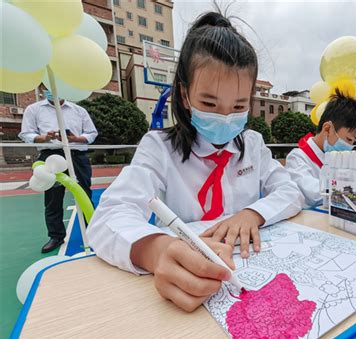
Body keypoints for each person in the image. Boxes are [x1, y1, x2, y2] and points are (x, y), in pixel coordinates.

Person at [86, 12, 304, 312]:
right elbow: (108, 218)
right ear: (185, 95)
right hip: (185, 286)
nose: (225, 117)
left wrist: (253, 213)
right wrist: (156, 250)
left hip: (250, 268)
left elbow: (291, 192)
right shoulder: (158, 148)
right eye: (209, 104)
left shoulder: (253, 144)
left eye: (239, 106)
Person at [19, 91, 98, 253]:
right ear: (42, 89)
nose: (52, 90)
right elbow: (26, 133)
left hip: (77, 155)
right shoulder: (34, 109)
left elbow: (92, 133)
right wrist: (43, 138)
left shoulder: (79, 110)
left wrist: (75, 139)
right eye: (47, 87)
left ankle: (94, 232)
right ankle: (56, 236)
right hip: (51, 156)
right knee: (53, 198)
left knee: (84, 194)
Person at [285, 91, 356, 208]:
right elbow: (313, 192)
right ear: (327, 129)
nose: (350, 146)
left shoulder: (338, 158)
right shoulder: (297, 158)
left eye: (354, 141)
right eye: (349, 139)